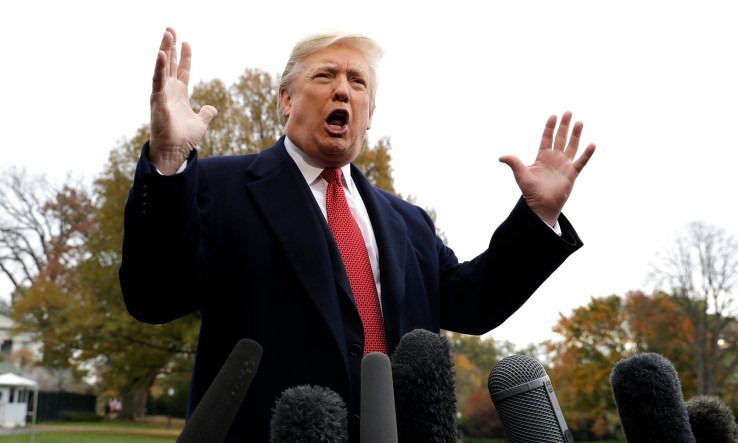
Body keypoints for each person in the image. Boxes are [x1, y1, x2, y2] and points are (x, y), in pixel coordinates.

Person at [119, 26, 596, 442]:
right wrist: (168, 163)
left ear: (369, 115)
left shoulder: (409, 221)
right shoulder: (218, 187)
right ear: (285, 101)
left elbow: (474, 304)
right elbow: (154, 296)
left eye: (358, 82)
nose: (343, 91)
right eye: (325, 76)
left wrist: (537, 217)